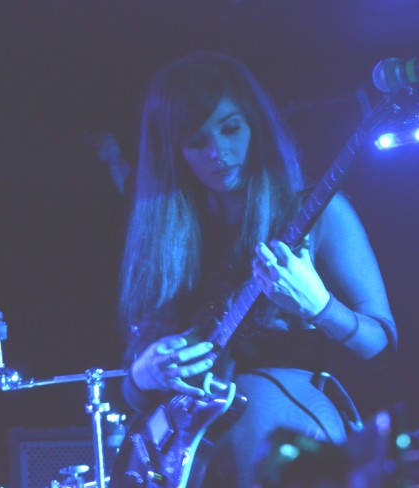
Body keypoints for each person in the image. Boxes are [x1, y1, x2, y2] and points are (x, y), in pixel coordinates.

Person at [113, 51, 397, 487]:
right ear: (173, 152)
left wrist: (319, 306)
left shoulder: (320, 213)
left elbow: (381, 345)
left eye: (231, 128)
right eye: (196, 141)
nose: (219, 152)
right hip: (189, 455)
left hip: (285, 439)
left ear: (255, 125)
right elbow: (134, 395)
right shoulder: (165, 239)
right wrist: (142, 372)